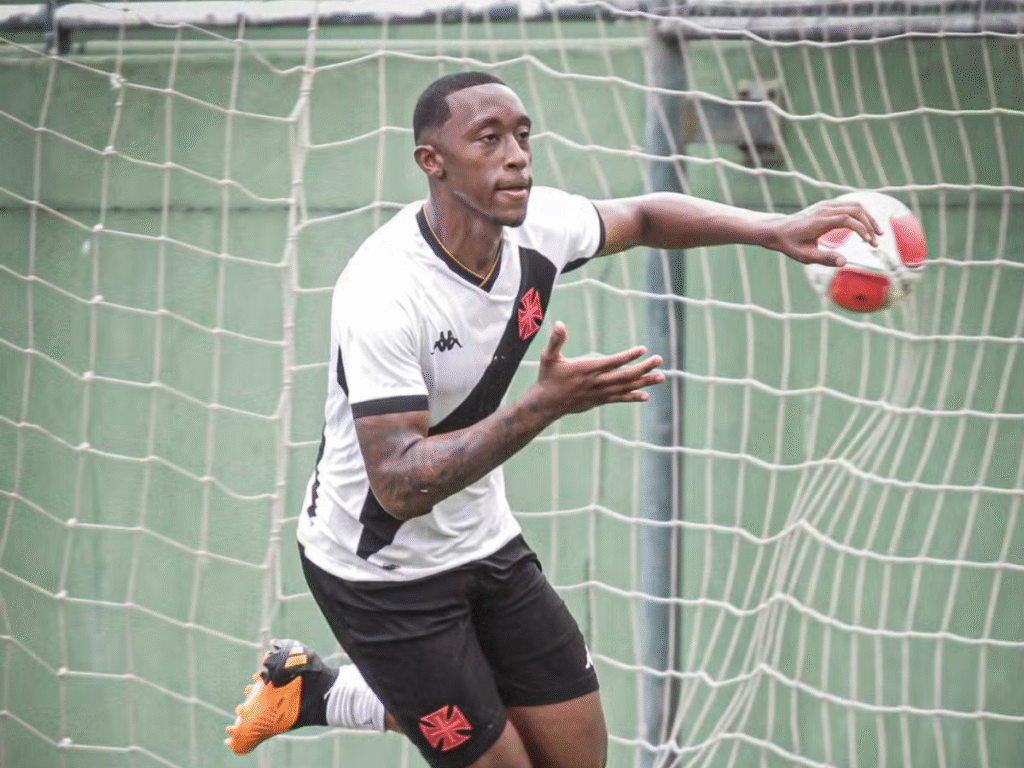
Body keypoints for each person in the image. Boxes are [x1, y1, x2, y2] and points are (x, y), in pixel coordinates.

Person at [225, 71, 880, 768]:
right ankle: (333, 695)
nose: (517, 155)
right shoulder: (384, 290)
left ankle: (315, 693)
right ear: (432, 161)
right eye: (489, 138)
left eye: (522, 134)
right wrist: (540, 406)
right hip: (379, 571)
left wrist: (770, 228)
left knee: (576, 759)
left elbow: (647, 217)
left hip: (483, 539)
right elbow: (397, 484)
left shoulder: (541, 227)